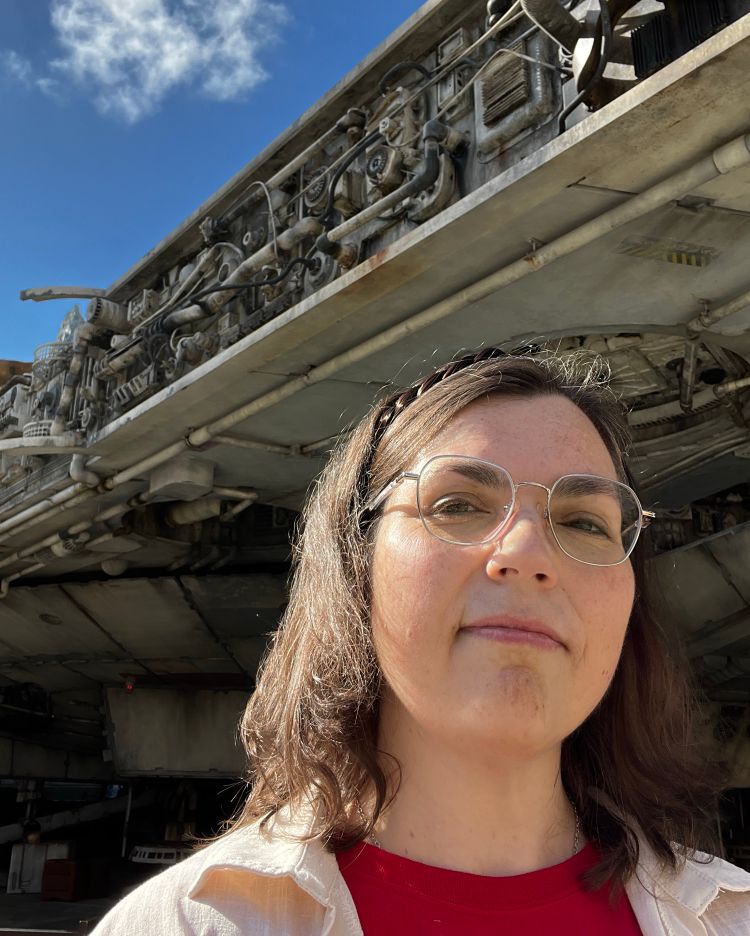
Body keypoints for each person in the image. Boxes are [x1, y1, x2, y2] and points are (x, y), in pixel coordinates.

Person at [92, 346, 750, 935]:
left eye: (584, 522)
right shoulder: (184, 925)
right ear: (355, 568)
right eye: (457, 505)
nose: (527, 553)